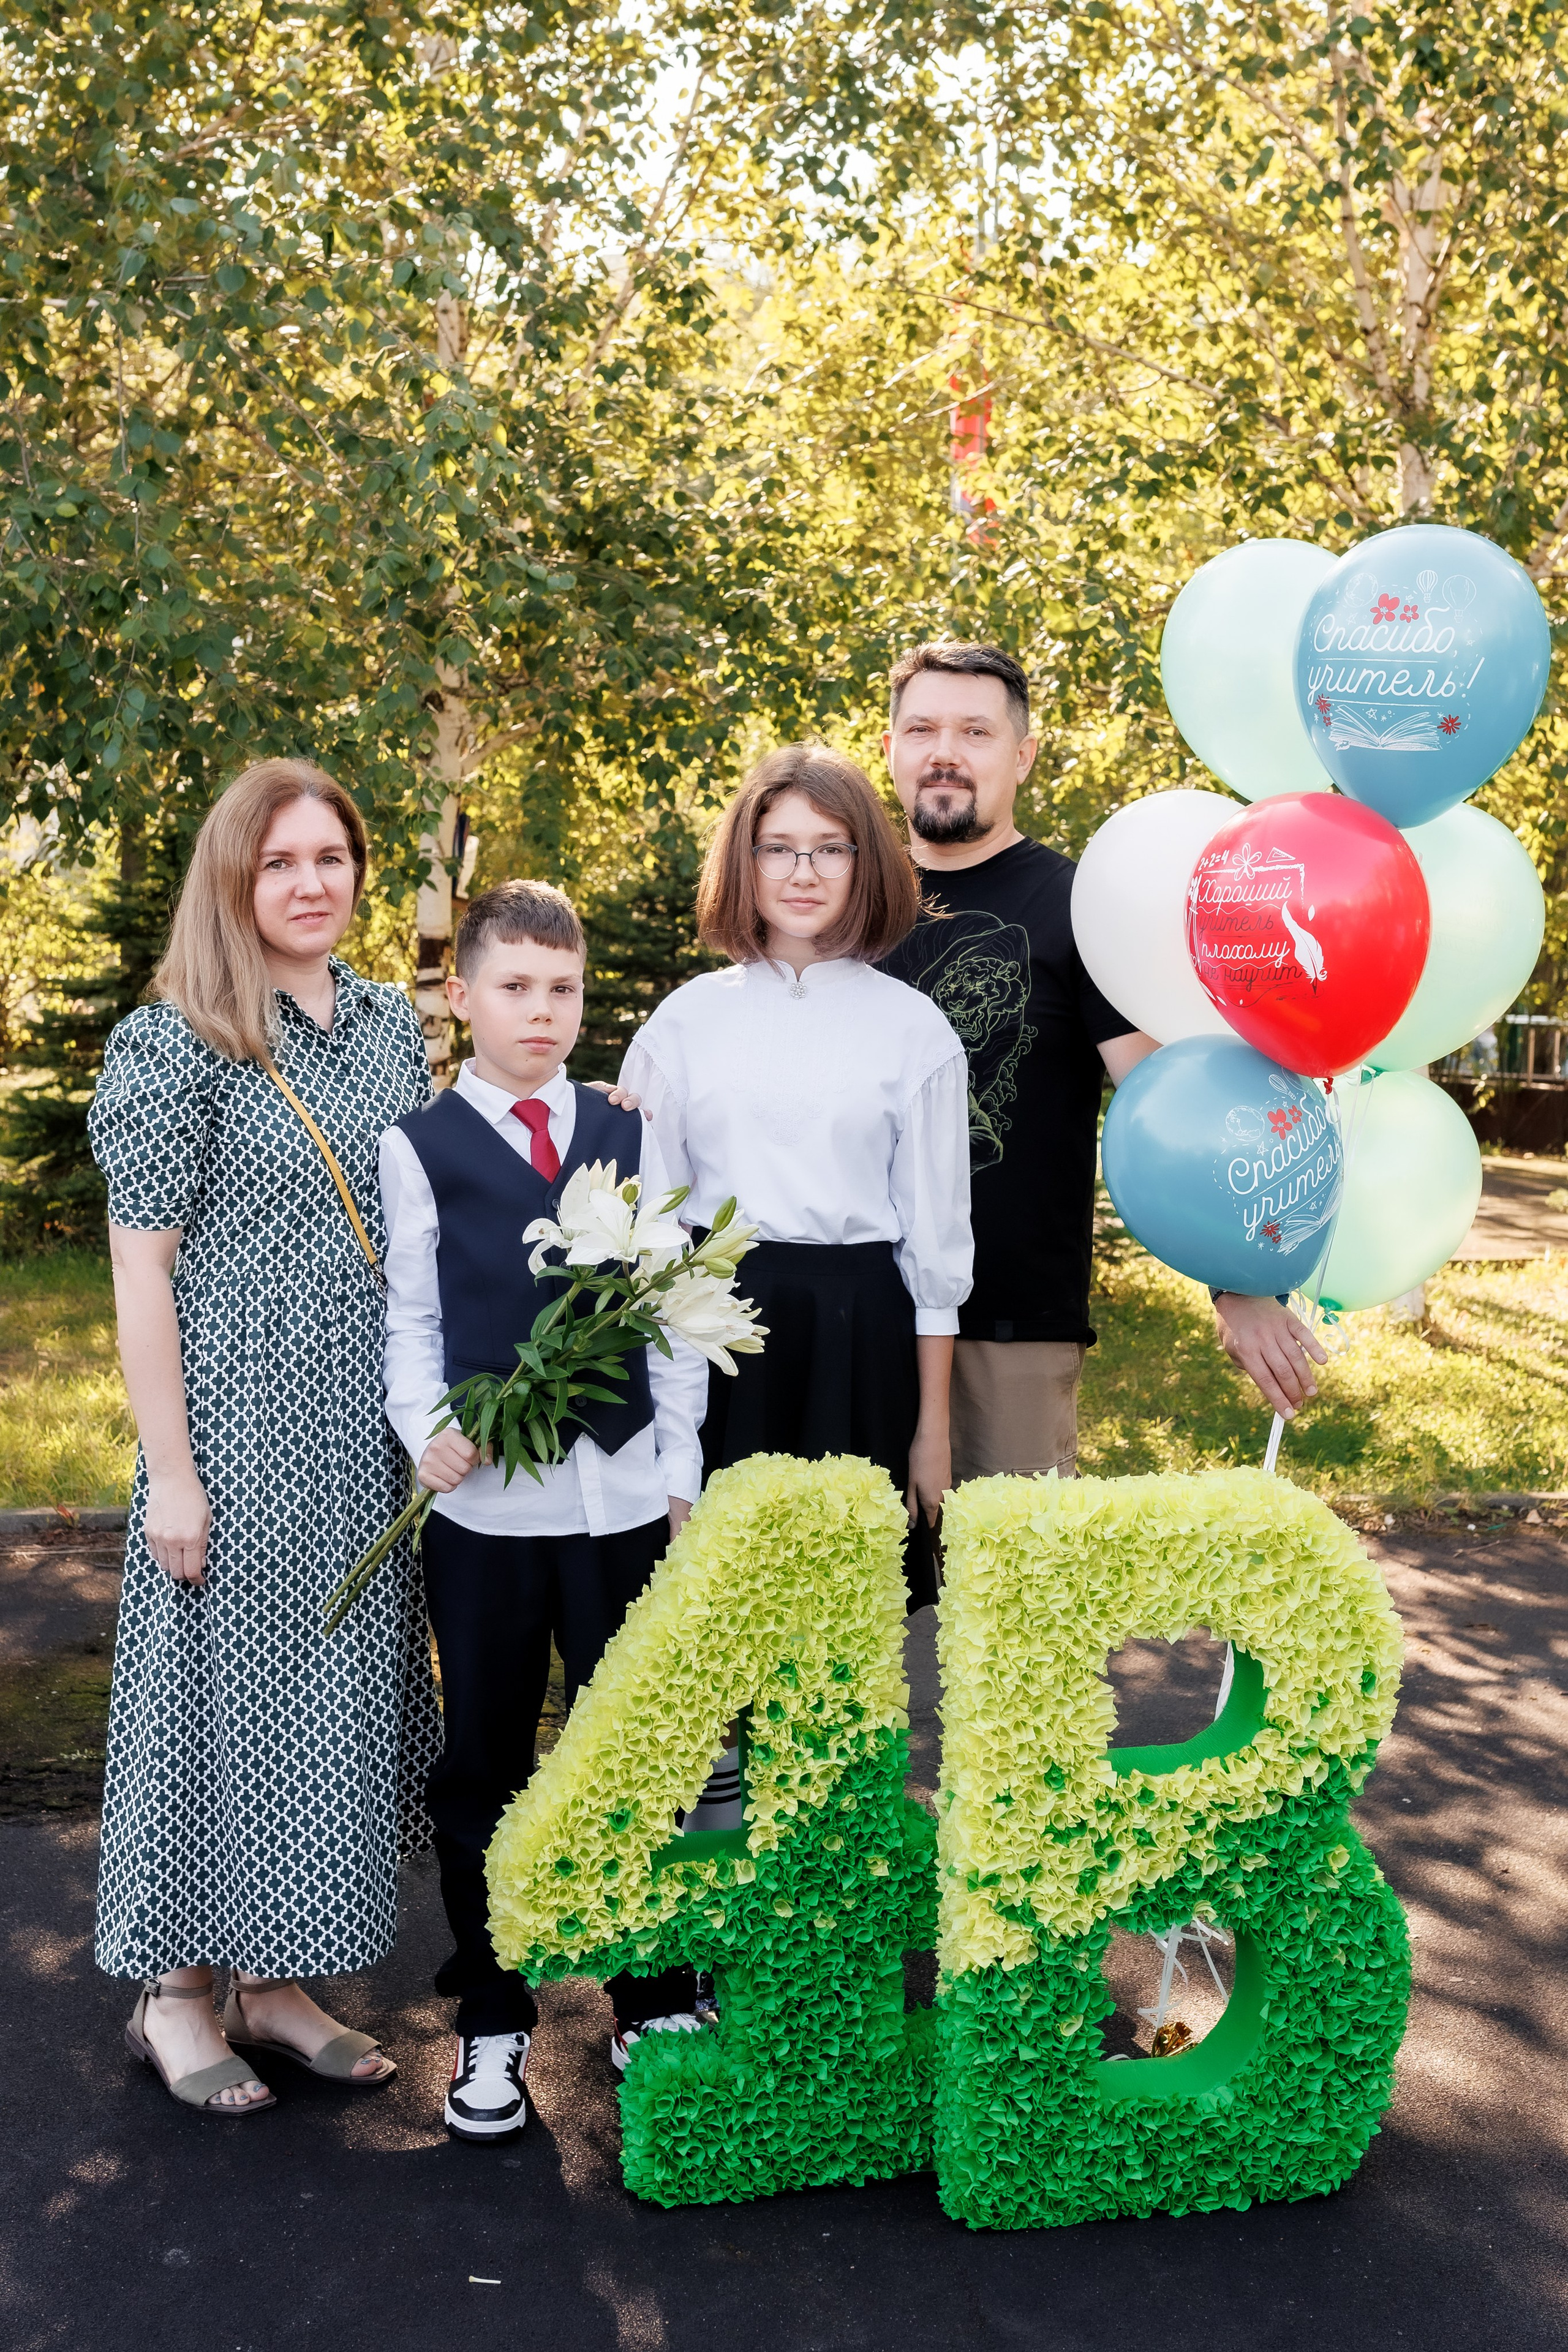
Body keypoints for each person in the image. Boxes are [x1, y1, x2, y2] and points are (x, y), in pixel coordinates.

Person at [89, 759, 440, 2117]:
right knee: (208, 1710)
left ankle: (276, 1985)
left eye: (331, 858)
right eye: (280, 861)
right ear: (234, 880)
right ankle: (174, 1993)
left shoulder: (385, 1025)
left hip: (359, 1427)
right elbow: (138, 1269)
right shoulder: (176, 1038)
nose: (310, 883)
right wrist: (170, 1471)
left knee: (329, 1705)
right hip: (231, 1428)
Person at [380, 880, 712, 2142]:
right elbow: (411, 1318)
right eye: (513, 988)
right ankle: (493, 2016)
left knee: (634, 1747)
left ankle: (648, 1989)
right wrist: (426, 1435)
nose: (540, 1011)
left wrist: (676, 1470)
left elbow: (675, 1304)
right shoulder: (420, 1146)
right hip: (491, 1516)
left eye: (561, 989)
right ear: (461, 996)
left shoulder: (630, 1129)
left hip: (623, 1495)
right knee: (486, 1766)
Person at [880, 640, 1329, 1481]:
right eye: (922, 729)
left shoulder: (1083, 910)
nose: (944, 752)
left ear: (1024, 756)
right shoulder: (842, 905)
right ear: (891, 749)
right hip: (849, 1317)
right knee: (852, 1600)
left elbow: (1165, 1105)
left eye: (975, 732)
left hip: (1007, 1325)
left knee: (1012, 1597)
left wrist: (1234, 1281)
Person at [619, 744, 973, 1613]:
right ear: (745, 860)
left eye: (830, 846)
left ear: (866, 863)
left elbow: (934, 1251)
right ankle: (732, 1756)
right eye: (778, 847)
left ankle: (829, 1755)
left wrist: (933, 1429)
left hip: (860, 1336)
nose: (803, 871)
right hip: (716, 1330)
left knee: (842, 1609)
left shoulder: (915, 1029)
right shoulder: (685, 1022)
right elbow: (649, 1235)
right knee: (723, 1595)